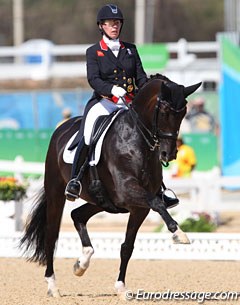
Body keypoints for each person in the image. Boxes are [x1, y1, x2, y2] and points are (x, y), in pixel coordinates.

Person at [65, 4, 179, 209]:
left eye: (117, 23)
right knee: (89, 132)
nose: (114, 26)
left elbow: (141, 78)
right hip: (104, 102)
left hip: (129, 102)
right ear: (101, 26)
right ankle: (75, 179)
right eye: (110, 23)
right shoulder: (94, 52)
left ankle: (159, 188)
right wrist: (110, 89)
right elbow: (93, 79)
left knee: (149, 135)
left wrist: (152, 93)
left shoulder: (130, 49)